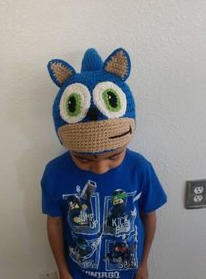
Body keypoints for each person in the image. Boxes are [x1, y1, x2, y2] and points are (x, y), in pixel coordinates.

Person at [41, 48, 167, 279]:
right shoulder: (55, 172)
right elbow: (54, 223)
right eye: (83, 158)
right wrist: (62, 270)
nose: (99, 169)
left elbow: (149, 216)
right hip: (78, 272)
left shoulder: (140, 169)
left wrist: (143, 264)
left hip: (129, 271)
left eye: (114, 156)